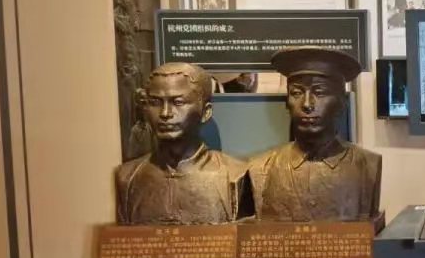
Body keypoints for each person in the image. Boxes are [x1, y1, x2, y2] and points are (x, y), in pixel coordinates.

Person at [248, 47, 382, 221]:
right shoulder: (261, 168)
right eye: (296, 93)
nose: (307, 104)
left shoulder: (367, 166)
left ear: (341, 103)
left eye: (320, 93)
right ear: (287, 103)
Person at [114, 62, 251, 224]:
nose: (165, 113)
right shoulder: (128, 177)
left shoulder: (236, 174)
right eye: (155, 102)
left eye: (178, 102)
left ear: (206, 112)